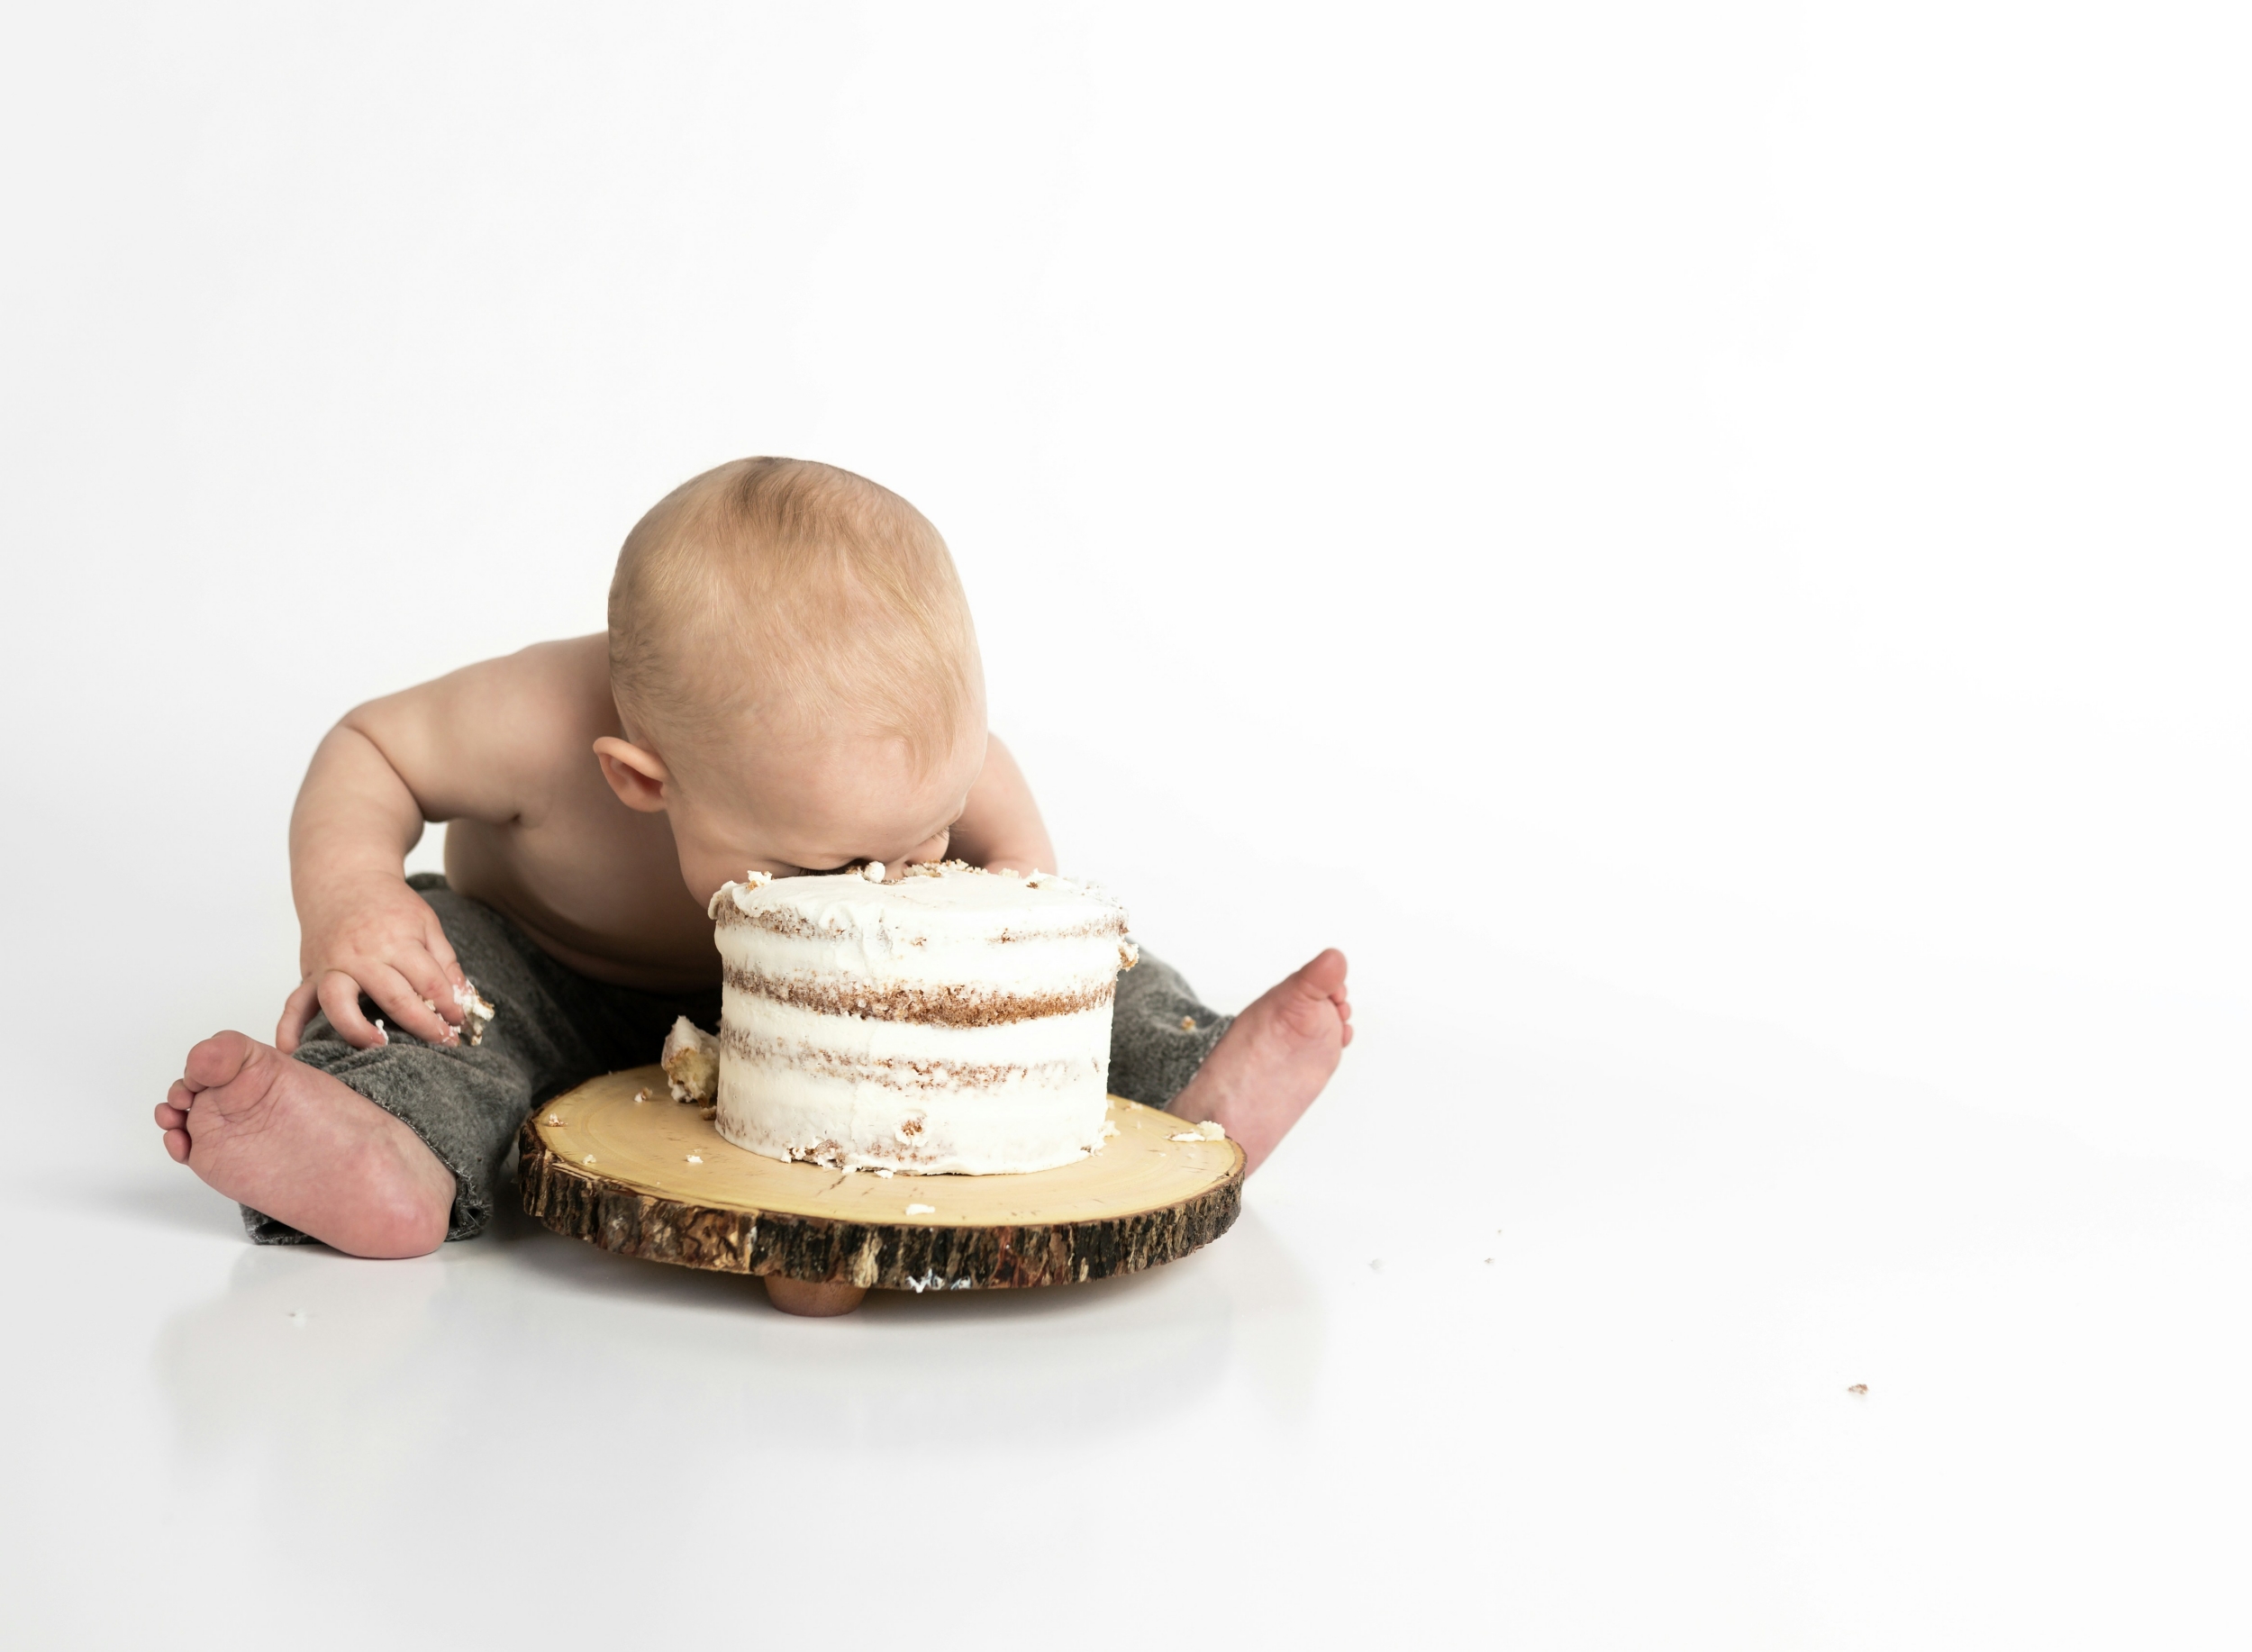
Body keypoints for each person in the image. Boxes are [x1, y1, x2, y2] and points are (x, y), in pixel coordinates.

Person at [155, 458, 1353, 1257]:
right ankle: (380, 1146)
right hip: (554, 979)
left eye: (915, 839)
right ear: (640, 777)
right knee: (434, 994)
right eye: (824, 864)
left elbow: (997, 814)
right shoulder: (534, 724)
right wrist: (349, 897)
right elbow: (370, 748)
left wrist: (1009, 909)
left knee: (1095, 966)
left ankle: (1188, 1074)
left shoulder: (893, 758)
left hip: (847, 1023)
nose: (871, 887)